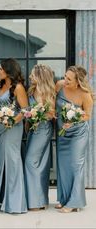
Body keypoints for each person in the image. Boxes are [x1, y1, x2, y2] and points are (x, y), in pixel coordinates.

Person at [55, 65, 93, 213]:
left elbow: (88, 115)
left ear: (78, 82)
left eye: (69, 79)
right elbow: (52, 102)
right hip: (62, 132)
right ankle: (64, 198)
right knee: (63, 165)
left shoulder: (85, 94)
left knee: (75, 165)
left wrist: (74, 120)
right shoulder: (59, 85)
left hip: (78, 134)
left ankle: (74, 202)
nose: (65, 80)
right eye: (65, 76)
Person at [0, 58, 28, 213]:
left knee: (12, 160)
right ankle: (0, 199)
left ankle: (14, 203)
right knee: (0, 161)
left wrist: (13, 120)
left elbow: (25, 110)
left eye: (0, 69)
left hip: (13, 127)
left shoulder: (18, 87)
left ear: (8, 71)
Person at [24, 64, 56, 211]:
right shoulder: (31, 91)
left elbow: (52, 114)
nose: (30, 77)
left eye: (32, 75)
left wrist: (39, 113)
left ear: (40, 76)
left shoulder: (48, 92)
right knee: (40, 163)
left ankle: (35, 202)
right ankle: (40, 200)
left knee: (31, 162)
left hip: (43, 129)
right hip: (32, 130)